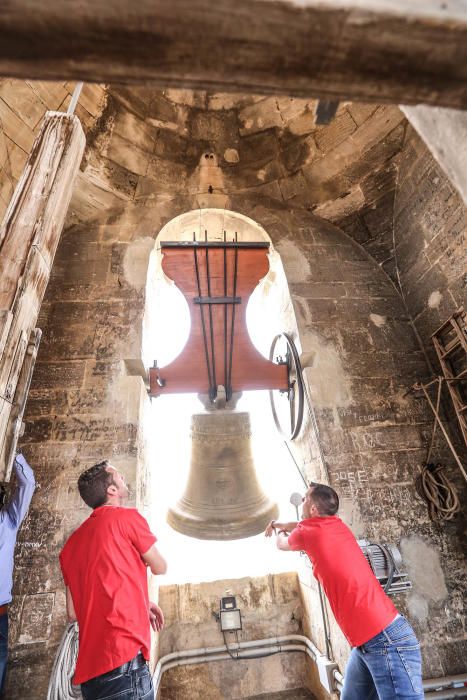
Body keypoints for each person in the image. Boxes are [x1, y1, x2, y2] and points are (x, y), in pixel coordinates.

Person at [265, 482, 423, 700]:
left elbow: (282, 544)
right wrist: (282, 523)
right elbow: (301, 525)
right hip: (368, 644)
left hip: (386, 640)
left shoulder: (308, 533)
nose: (301, 501)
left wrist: (276, 530)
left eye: (304, 499)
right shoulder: (335, 525)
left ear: (312, 509)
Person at [60, 460, 167, 700]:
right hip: (124, 666)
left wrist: (140, 602)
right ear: (112, 490)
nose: (123, 479)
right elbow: (161, 566)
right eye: (118, 477)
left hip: (90, 679)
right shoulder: (126, 518)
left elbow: (73, 612)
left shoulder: (69, 547)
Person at [0, 453, 36, 697]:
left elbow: (28, 484)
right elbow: (28, 483)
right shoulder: (8, 521)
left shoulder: (7, 521)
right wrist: (15, 458)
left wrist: (13, 453)